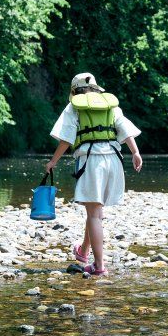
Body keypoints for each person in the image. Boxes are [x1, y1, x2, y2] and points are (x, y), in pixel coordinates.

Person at [45, 73, 143, 276]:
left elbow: (66, 138)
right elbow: (124, 129)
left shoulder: (75, 106)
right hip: (114, 160)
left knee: (93, 214)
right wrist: (135, 152)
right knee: (96, 212)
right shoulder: (110, 104)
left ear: (75, 91)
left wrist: (53, 161)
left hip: (92, 161)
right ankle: (83, 251)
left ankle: (99, 267)